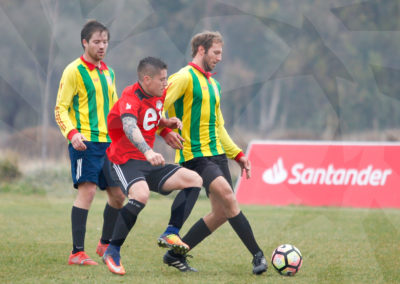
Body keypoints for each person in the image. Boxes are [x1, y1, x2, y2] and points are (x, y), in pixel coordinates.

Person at [158, 31, 268, 275]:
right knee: (229, 196)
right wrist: (163, 131)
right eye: (216, 52)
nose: (220, 57)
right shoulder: (184, 77)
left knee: (221, 213)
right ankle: (258, 255)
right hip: (194, 155)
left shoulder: (213, 84)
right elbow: (156, 105)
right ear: (201, 50)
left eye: (221, 53)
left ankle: (174, 254)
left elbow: (219, 128)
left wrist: (238, 155)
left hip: (216, 155)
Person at [102, 57, 203, 275]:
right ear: (147, 79)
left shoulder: (159, 94)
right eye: (162, 80)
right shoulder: (130, 96)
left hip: (148, 162)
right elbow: (130, 126)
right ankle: (112, 250)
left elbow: (151, 119)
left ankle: (171, 232)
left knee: (194, 180)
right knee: (141, 195)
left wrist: (166, 128)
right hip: (124, 160)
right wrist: (148, 150)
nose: (166, 84)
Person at [55, 20, 125, 266]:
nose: (102, 46)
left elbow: (115, 108)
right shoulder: (73, 70)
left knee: (118, 196)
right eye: (96, 42)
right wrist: (72, 133)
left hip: (109, 144)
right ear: (85, 42)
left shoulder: (109, 72)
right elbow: (60, 109)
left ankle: (104, 244)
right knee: (89, 192)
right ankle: (76, 253)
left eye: (105, 42)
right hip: (85, 142)